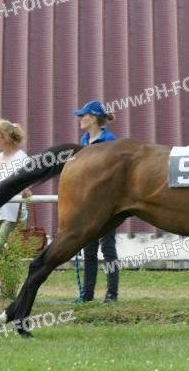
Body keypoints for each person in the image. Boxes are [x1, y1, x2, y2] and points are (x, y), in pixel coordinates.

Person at [74, 100, 119, 303]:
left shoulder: (110, 141)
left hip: (107, 203)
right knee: (89, 249)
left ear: (92, 118)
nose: (80, 119)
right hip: (88, 204)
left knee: (108, 248)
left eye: (83, 116)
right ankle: (87, 294)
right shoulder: (84, 140)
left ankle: (112, 294)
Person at [0, 119, 32, 261]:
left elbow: (28, 183)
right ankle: (3, 276)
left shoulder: (21, 158)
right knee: (4, 255)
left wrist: (26, 190)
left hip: (14, 214)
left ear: (5, 137)